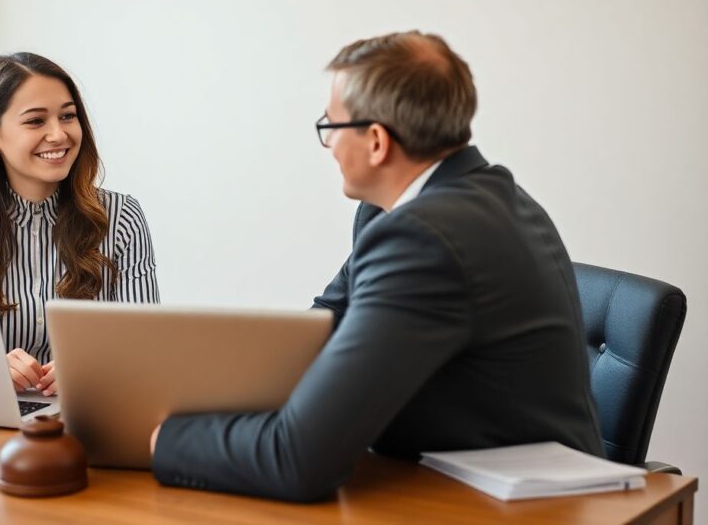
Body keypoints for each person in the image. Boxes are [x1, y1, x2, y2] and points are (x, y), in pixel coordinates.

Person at [150, 31, 602, 501]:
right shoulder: (457, 201)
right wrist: (193, 383)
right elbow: (325, 327)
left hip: (522, 508)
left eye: (332, 126)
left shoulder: (425, 236)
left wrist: (169, 438)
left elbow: (301, 461)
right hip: (446, 485)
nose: (328, 145)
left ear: (377, 142)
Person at [0, 52, 160, 396]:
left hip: (90, 410)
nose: (58, 134)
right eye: (35, 121)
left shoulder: (121, 217)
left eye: (68, 116)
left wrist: (94, 367)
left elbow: (146, 343)